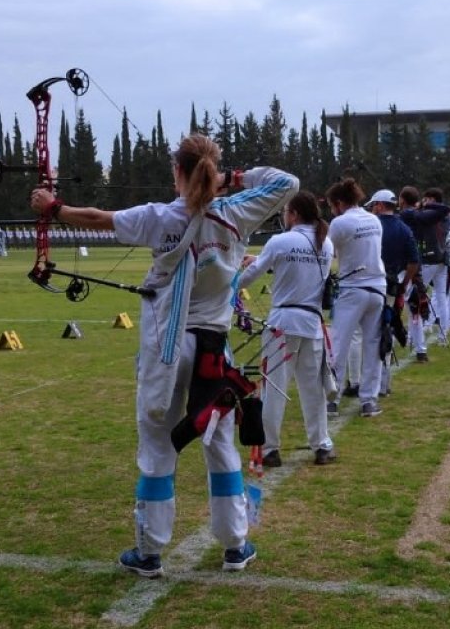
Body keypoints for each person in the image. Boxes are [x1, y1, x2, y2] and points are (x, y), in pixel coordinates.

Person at [30, 135, 298, 578]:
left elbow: (97, 219)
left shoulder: (162, 217)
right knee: (219, 444)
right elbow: (286, 182)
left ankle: (150, 551)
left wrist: (52, 207)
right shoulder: (235, 212)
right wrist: (232, 178)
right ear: (212, 172)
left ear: (178, 172)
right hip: (214, 350)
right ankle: (235, 545)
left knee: (157, 446)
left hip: (166, 351)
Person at [238, 191, 336, 468]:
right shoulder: (325, 243)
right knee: (313, 389)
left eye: (285, 212)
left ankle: (270, 449)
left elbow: (248, 278)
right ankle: (322, 445)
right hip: (311, 324)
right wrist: (261, 259)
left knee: (274, 388)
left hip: (282, 323)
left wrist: (228, 280)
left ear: (293, 214)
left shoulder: (280, 241)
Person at [327, 179, 387, 417]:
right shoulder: (374, 219)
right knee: (373, 346)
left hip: (352, 287)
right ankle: (369, 401)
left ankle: (332, 399)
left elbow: (327, 252)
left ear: (339, 203)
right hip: (377, 287)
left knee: (339, 344)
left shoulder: (340, 223)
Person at [368, 189, 419, 385]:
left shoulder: (372, 226)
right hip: (393, 285)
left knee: (367, 334)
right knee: (386, 328)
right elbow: (413, 262)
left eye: (373, 206)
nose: (372, 210)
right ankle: (383, 382)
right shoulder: (405, 229)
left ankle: (365, 381)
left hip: (372, 282)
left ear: (380, 206)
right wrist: (403, 284)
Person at [398, 186, 450, 360]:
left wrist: (423, 205)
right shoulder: (418, 214)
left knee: (413, 305)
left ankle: (418, 346)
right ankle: (419, 345)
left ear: (402, 200)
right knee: (416, 305)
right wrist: (424, 206)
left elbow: (444, 209)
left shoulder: (410, 214)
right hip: (420, 262)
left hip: (408, 264)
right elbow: (443, 209)